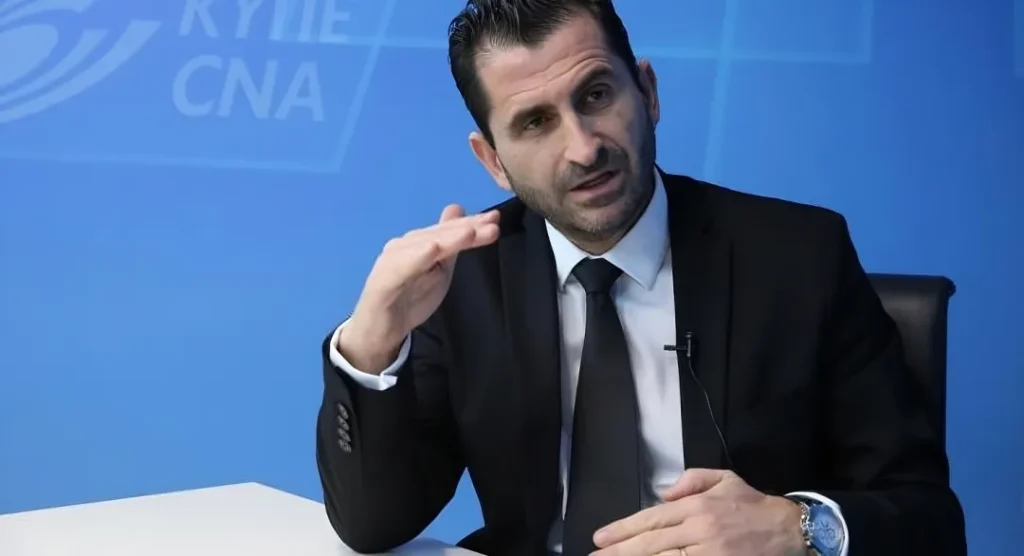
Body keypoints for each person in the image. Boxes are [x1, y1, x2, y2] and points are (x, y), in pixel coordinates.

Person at [315, 1, 967, 555]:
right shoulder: (465, 279)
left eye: (596, 95)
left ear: (647, 93)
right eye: (535, 122)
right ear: (494, 162)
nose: (583, 147)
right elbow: (375, 525)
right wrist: (371, 343)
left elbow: (930, 519)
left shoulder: (801, 257)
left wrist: (796, 527)